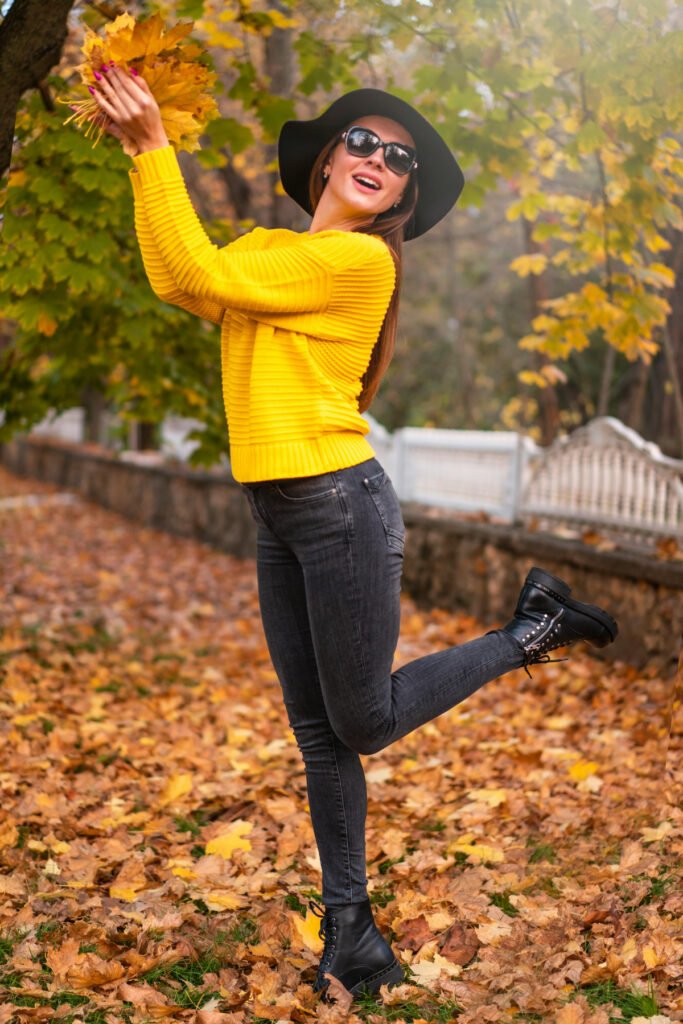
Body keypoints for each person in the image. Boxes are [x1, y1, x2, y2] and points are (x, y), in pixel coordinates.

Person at [92, 68, 619, 1002]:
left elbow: (197, 270)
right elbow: (182, 276)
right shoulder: (274, 254)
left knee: (363, 719)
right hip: (281, 510)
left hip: (337, 505)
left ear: (403, 193)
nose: (380, 159)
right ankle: (354, 935)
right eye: (365, 143)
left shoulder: (357, 262)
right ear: (329, 159)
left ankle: (529, 630)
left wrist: (149, 148)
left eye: (400, 157)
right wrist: (147, 158)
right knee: (319, 732)